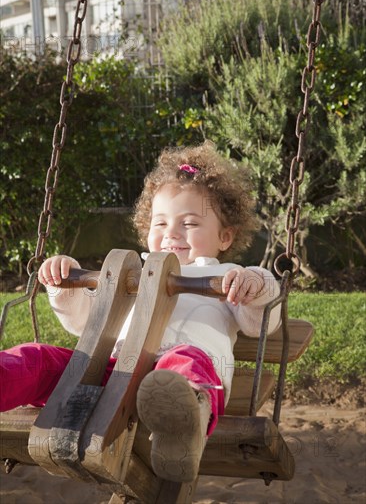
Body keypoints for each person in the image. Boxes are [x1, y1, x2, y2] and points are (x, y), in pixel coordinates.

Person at [0, 141, 281, 483]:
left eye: (189, 224)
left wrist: (255, 286)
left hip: (174, 375)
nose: (171, 233)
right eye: (160, 223)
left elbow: (259, 322)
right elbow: (86, 322)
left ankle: (181, 427)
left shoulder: (228, 277)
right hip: (112, 373)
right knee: (38, 359)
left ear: (225, 236)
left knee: (184, 364)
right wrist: (63, 282)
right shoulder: (135, 272)